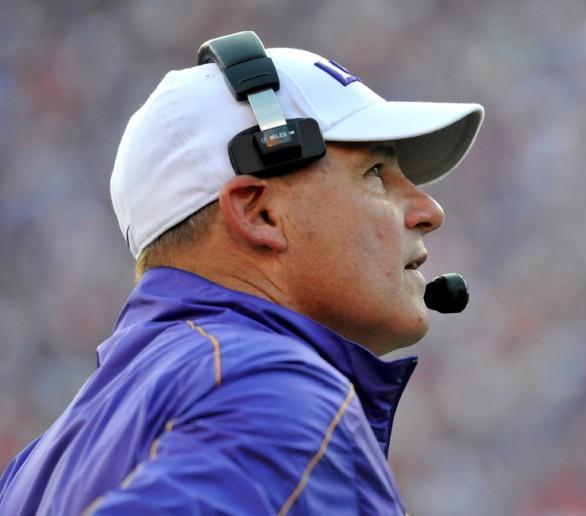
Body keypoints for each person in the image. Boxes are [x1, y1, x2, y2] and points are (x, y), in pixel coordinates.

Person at [0, 31, 483, 515]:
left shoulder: (34, 466)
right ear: (259, 214)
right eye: (375, 172)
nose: (429, 210)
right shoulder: (273, 389)